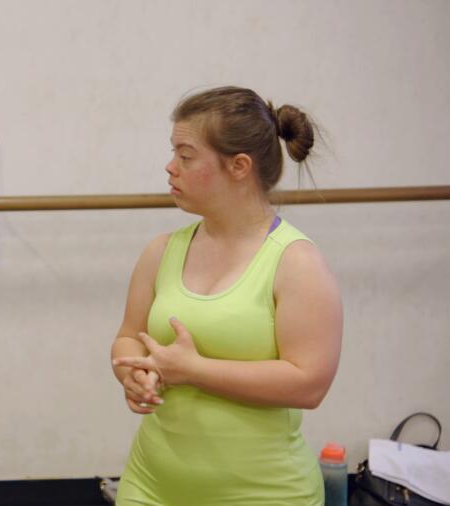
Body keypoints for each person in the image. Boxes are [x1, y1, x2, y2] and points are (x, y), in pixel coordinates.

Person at [110, 86, 342, 505]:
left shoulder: (297, 263)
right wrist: (134, 375)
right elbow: (128, 336)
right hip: (151, 487)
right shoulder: (161, 251)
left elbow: (309, 385)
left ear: (239, 166)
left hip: (265, 494)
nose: (170, 167)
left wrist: (194, 369)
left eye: (185, 156)